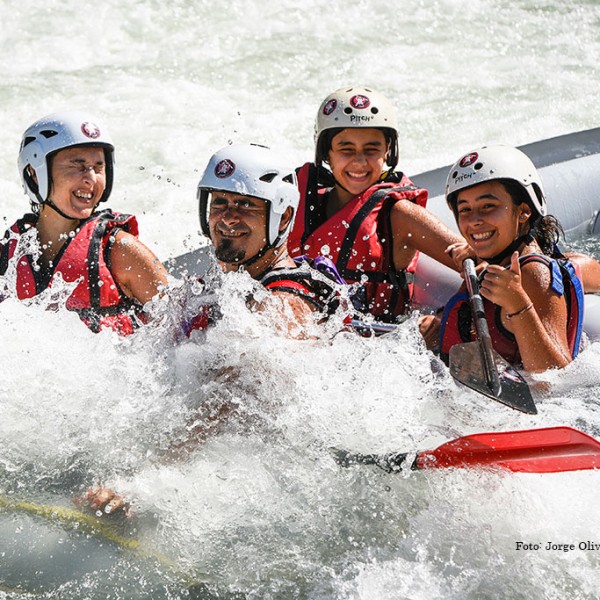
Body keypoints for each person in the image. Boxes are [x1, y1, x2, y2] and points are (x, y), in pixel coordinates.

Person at [287, 85, 465, 323]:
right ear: (326, 153)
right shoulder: (295, 203)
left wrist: (446, 318)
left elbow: (475, 265)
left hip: (377, 345)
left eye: (372, 149)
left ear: (388, 152)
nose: (359, 161)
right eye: (346, 149)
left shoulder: (399, 214)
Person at [1, 111, 168, 335]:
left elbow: (182, 330)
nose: (91, 178)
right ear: (34, 173)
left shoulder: (121, 251)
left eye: (98, 167)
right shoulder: (7, 257)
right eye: (76, 165)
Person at [423, 145, 586, 373]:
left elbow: (555, 379)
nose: (474, 220)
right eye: (465, 210)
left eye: (488, 206)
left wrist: (519, 305)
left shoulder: (532, 273)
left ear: (523, 212)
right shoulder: (494, 265)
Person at [183, 142, 347, 338]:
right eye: (220, 203)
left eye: (245, 204)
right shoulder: (222, 284)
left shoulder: (280, 308)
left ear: (284, 217)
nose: (228, 218)